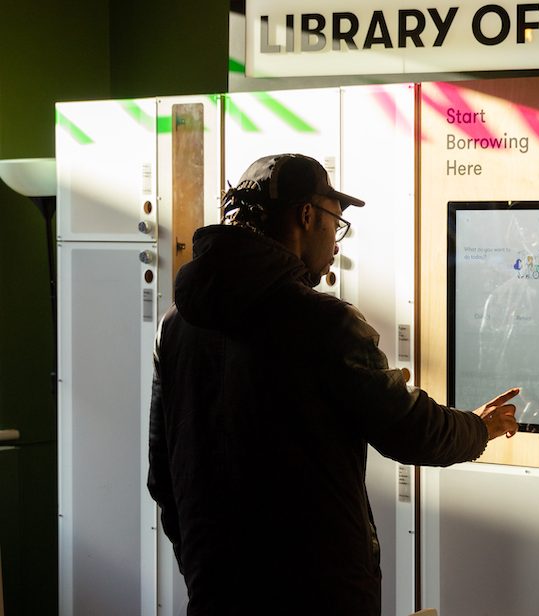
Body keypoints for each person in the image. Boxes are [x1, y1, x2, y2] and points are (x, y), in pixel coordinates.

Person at [147, 153, 519, 615]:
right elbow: (411, 430)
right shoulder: (324, 324)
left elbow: (162, 476)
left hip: (215, 593)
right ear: (306, 216)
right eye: (335, 223)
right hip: (321, 595)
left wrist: (206, 567)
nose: (338, 244)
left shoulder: (176, 327)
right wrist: (481, 427)